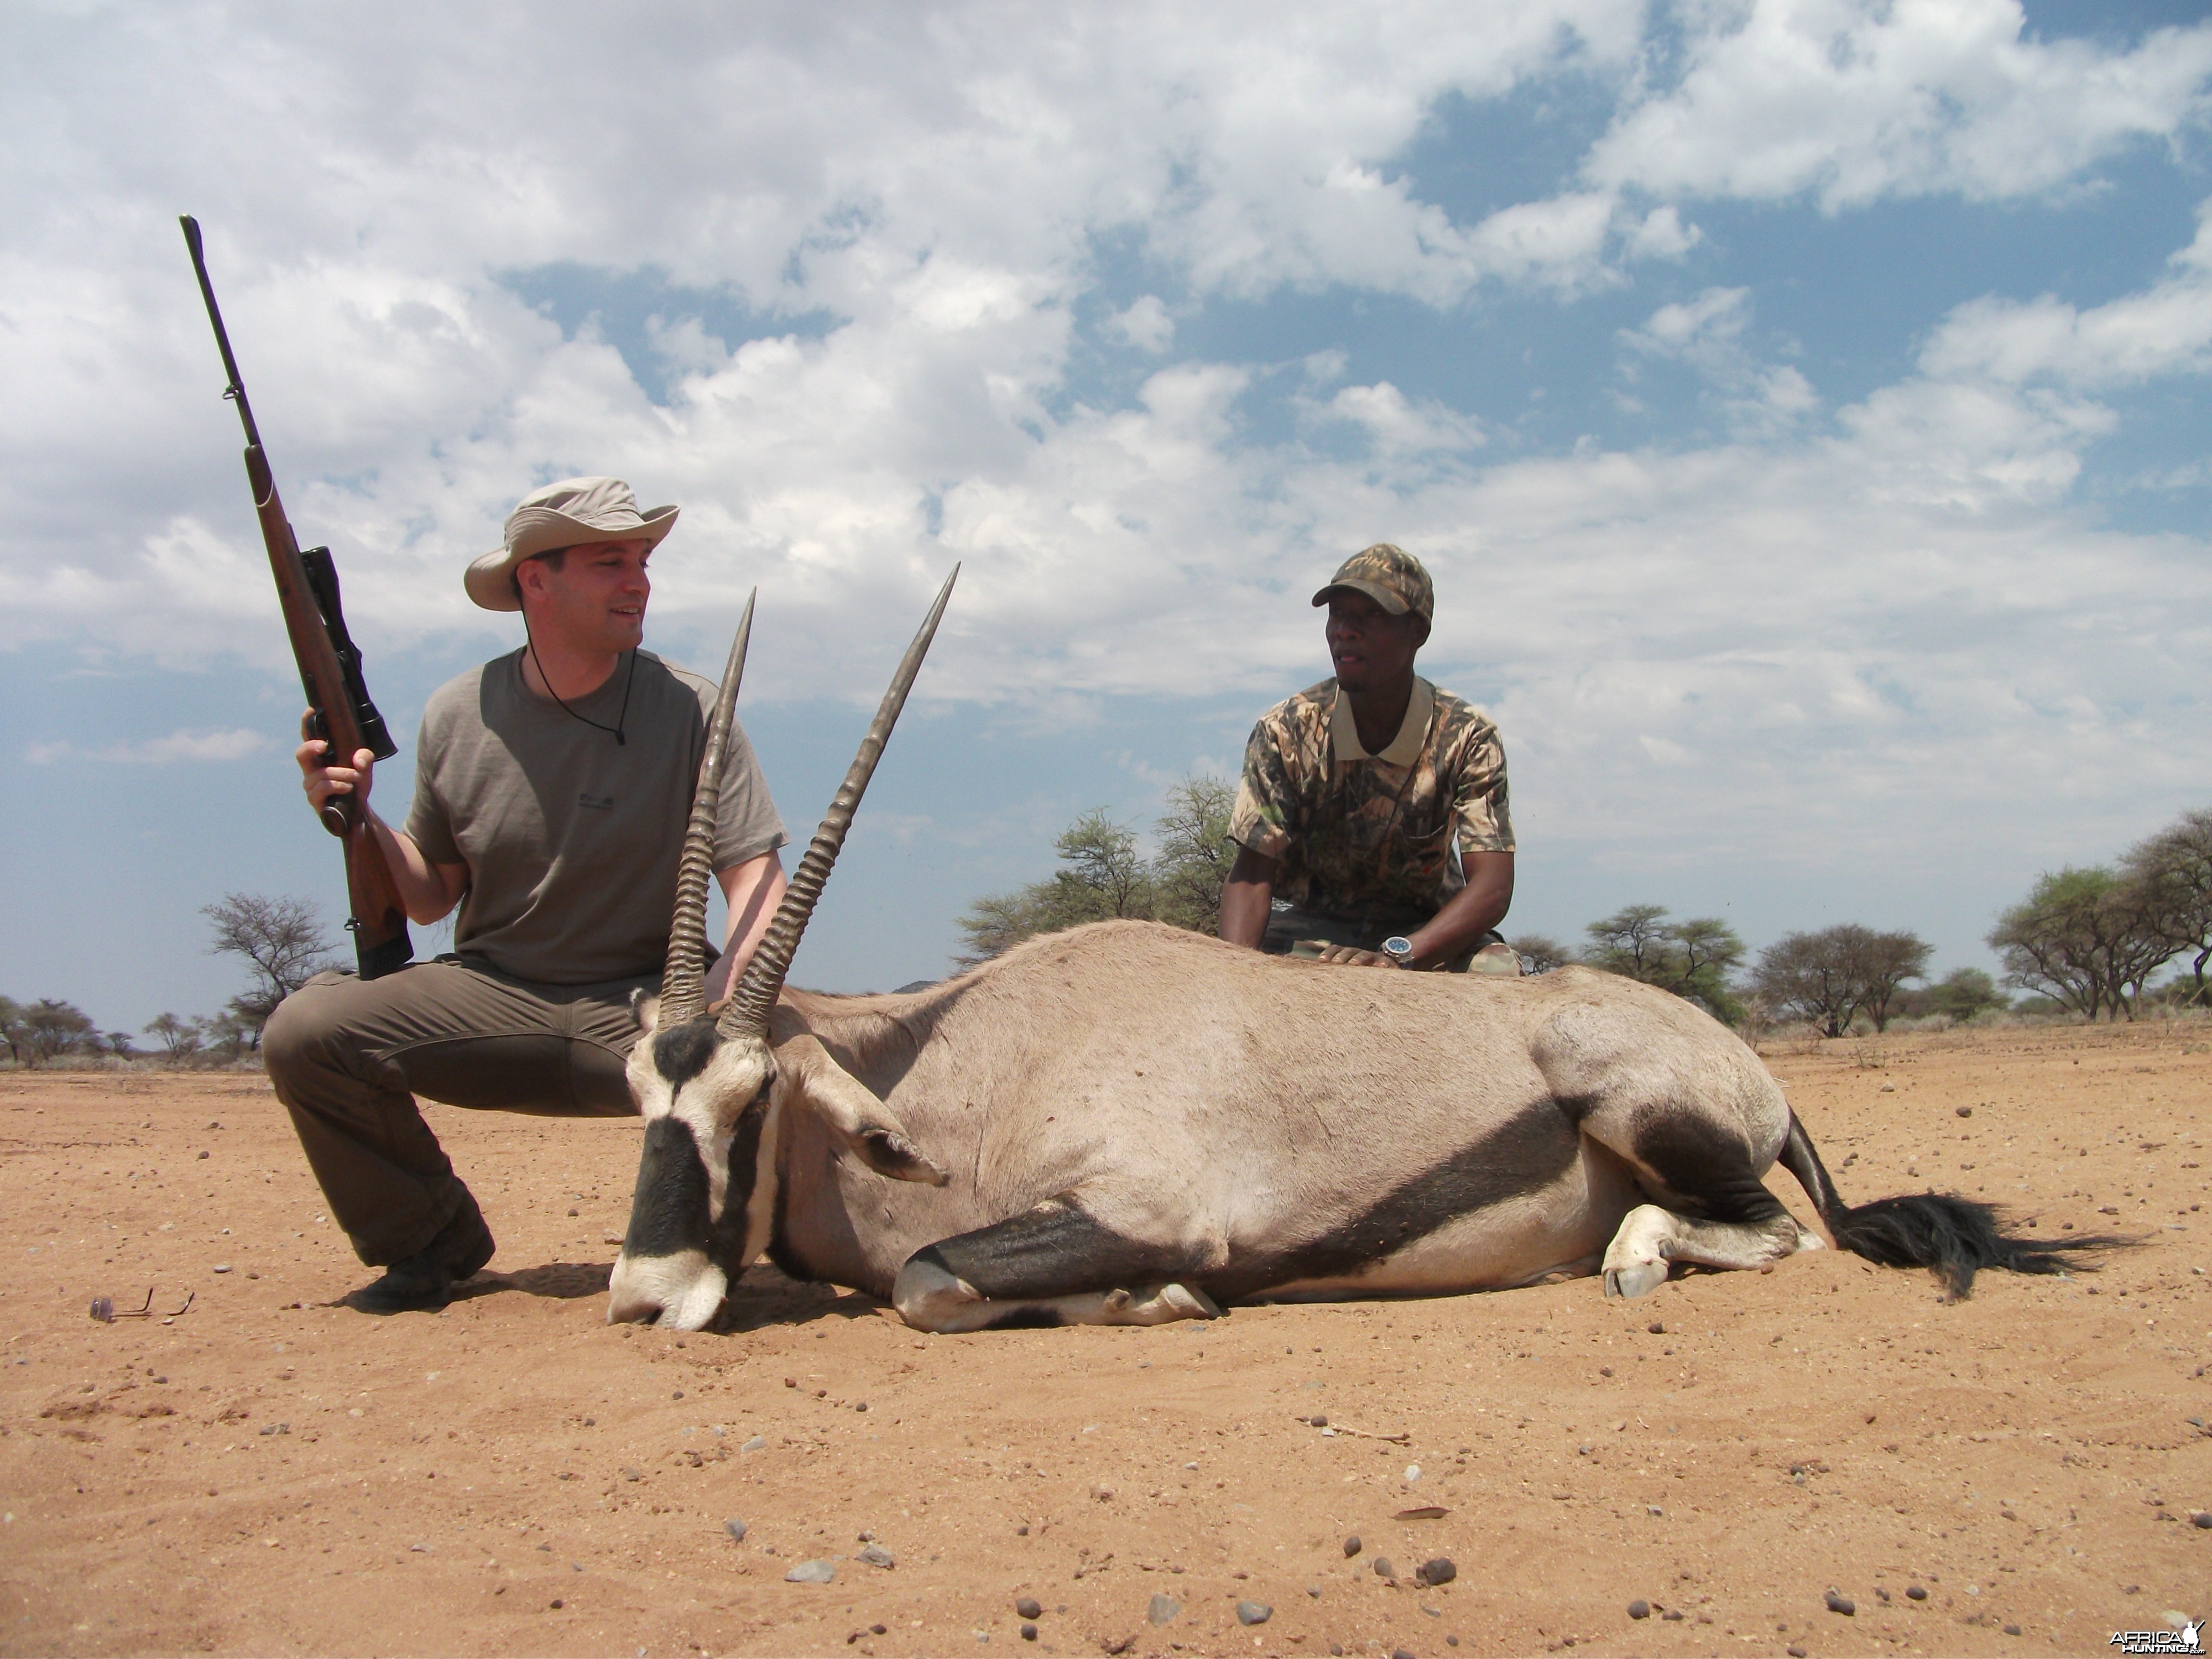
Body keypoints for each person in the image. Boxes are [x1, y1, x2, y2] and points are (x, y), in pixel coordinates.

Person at [262, 477, 789, 1312]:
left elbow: (755, 876)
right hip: (493, 999)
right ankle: (430, 1244)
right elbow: (431, 896)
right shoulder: (455, 713)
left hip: (647, 1015)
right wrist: (357, 818)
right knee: (307, 1030)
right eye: (610, 561)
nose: (639, 581)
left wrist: (722, 1005)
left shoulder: (691, 706)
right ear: (533, 582)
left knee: (797, 1055)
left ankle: (810, 1241)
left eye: (644, 560)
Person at [1218, 542, 1518, 973]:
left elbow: (1492, 887)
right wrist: (1239, 978)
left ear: (1418, 632)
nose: (1345, 630)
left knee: (1499, 972)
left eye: (1371, 615)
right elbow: (1251, 875)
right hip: (1313, 932)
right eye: (1337, 614)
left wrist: (1401, 955)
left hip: (1427, 929)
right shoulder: (1285, 731)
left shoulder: (1469, 736)